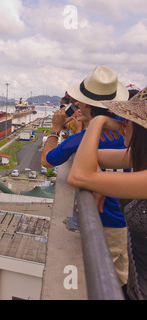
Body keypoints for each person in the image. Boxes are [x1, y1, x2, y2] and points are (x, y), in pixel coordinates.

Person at [41, 66, 130, 286]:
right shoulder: (128, 129)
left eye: (79, 101)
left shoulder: (81, 140)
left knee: (104, 283)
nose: (76, 105)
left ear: (87, 106)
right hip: (130, 221)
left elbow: (47, 160)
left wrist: (54, 129)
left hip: (106, 223)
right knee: (128, 277)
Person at [68, 87, 147, 300]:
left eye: (126, 119)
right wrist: (99, 178)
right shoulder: (139, 156)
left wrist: (97, 122)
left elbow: (78, 176)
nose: (122, 124)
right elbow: (94, 158)